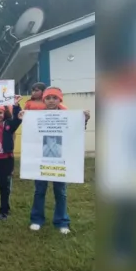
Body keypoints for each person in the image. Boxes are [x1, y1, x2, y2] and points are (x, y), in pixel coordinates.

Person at [29, 86, 91, 234]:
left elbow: (76, 132)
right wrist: (24, 119)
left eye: (54, 98)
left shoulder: (67, 116)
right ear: (44, 100)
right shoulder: (36, 116)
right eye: (48, 98)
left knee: (60, 191)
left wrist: (83, 120)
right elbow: (31, 135)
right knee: (39, 191)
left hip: (60, 160)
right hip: (42, 160)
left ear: (59, 99)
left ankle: (62, 221)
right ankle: (37, 219)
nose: (51, 101)